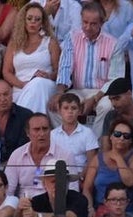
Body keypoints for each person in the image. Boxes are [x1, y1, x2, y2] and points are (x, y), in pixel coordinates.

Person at [53, 0, 124, 135]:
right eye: (85, 22)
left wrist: (95, 98)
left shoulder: (113, 43)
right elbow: (65, 67)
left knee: (107, 106)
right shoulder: (72, 37)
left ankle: (94, 142)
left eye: (93, 24)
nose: (87, 27)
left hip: (102, 92)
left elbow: (115, 79)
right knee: (55, 106)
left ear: (102, 23)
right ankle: (69, 139)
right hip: (77, 90)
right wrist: (60, 93)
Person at [2, 2, 59, 115]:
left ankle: (22, 120)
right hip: (20, 87)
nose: (33, 22)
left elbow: (58, 71)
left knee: (37, 83)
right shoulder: (14, 43)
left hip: (45, 85)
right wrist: (23, 84)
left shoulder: (50, 42)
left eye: (37, 19)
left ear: (42, 22)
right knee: (33, 87)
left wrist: (48, 76)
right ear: (24, 21)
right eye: (29, 18)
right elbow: (7, 71)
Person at [5, 111, 77, 198]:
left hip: (52, 202)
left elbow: (73, 191)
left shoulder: (65, 155)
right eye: (37, 129)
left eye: (45, 129)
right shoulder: (17, 155)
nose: (42, 134)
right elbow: (8, 191)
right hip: (25, 203)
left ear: (50, 131)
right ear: (28, 133)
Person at [84, 117, 133, 213]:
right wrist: (90, 208)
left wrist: (118, 158)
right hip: (101, 211)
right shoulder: (97, 158)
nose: (121, 138)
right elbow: (87, 188)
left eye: (126, 136)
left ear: (131, 140)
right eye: (117, 134)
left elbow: (130, 182)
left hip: (127, 211)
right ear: (111, 136)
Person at [0, 79, 32, 163]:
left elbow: (27, 146)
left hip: (19, 163)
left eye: (6, 94)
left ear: (12, 96)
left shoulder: (26, 116)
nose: (3, 99)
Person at [18, 165, 89, 217]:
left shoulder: (79, 198)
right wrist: (20, 209)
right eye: (53, 181)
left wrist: (38, 216)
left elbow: (70, 216)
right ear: (44, 184)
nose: (58, 185)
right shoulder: (37, 200)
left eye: (62, 181)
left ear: (68, 183)